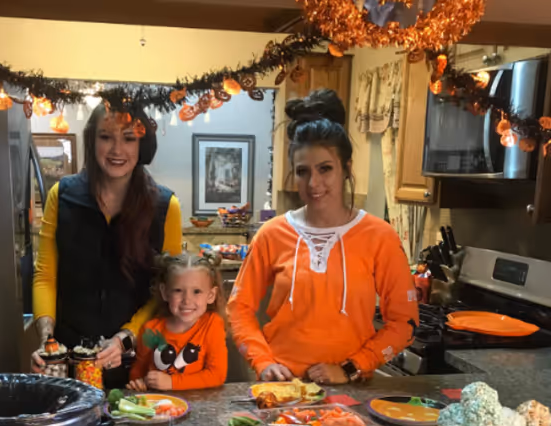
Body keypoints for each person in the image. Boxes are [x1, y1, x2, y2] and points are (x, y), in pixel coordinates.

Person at [228, 88, 419, 385]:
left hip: (352, 391)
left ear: (346, 169)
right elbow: (238, 309)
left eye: (325, 169)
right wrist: (262, 361)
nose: (313, 183)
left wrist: (350, 367)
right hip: (281, 389)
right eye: (303, 171)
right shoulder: (271, 234)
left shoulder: (380, 236)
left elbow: (405, 322)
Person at [32, 104, 182, 388]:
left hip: (140, 361)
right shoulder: (61, 196)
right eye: (105, 137)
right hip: (69, 357)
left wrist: (126, 337)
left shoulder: (165, 206)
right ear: (92, 140)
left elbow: (168, 287)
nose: (117, 150)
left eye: (129, 138)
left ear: (143, 144)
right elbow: (45, 276)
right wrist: (47, 341)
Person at [127, 252, 228, 391]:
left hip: (198, 407)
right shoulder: (150, 329)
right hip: (159, 407)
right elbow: (139, 369)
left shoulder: (212, 324)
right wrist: (137, 384)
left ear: (210, 295)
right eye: (178, 290)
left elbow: (217, 375)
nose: (187, 300)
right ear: (165, 292)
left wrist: (172, 383)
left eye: (196, 291)